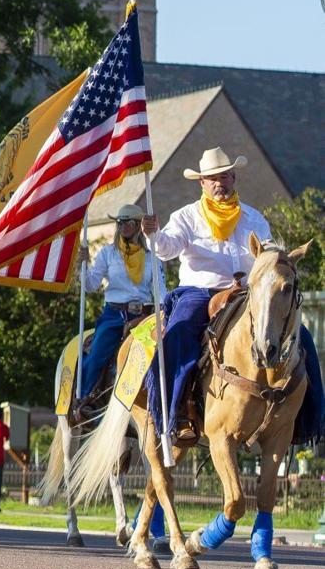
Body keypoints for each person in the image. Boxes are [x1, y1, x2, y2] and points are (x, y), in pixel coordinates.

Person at [143, 147, 323, 443]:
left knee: (301, 337)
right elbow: (167, 248)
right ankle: (174, 414)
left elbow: (266, 255)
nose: (219, 182)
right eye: (212, 178)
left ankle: (310, 420)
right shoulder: (187, 216)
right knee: (180, 332)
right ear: (201, 183)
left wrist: (281, 259)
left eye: (224, 175)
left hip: (247, 293)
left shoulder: (253, 218)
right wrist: (153, 234)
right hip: (201, 291)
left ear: (234, 177)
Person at [72, 203, 156, 425]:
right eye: (120, 222)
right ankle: (87, 399)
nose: (123, 227)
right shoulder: (108, 253)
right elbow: (90, 285)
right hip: (114, 314)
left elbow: (161, 291)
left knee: (164, 351)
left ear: (139, 225)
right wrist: (82, 264)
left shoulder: (152, 256)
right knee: (99, 349)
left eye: (128, 222)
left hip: (145, 315)